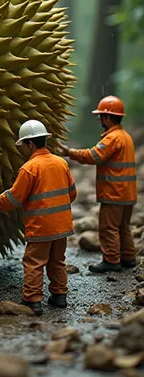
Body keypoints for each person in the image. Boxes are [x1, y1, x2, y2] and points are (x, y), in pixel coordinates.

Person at [0, 120, 77, 315]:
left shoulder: (29, 168)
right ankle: (59, 296)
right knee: (57, 261)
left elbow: (13, 199)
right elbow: (73, 193)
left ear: (29, 143)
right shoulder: (61, 163)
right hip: (62, 225)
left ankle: (33, 300)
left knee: (34, 262)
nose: (23, 150)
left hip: (41, 226)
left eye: (23, 145)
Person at [59, 95, 137, 274]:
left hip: (114, 193)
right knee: (124, 227)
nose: (100, 120)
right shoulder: (126, 137)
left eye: (101, 116)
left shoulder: (113, 139)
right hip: (127, 194)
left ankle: (111, 260)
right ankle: (128, 258)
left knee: (109, 227)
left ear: (108, 117)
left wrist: (69, 152)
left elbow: (93, 156)